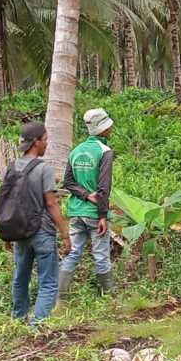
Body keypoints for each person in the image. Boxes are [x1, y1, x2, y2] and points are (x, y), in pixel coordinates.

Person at [7, 122, 71, 325]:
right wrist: (64, 233)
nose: (46, 144)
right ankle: (38, 324)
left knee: (20, 277)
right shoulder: (44, 169)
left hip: (19, 232)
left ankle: (18, 319)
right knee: (49, 281)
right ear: (36, 142)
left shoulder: (11, 167)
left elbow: (5, 202)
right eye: (45, 140)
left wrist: (6, 234)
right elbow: (51, 204)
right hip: (42, 231)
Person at [58, 108, 115, 297]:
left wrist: (83, 194)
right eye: (108, 125)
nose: (111, 127)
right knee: (101, 256)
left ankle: (59, 297)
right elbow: (103, 188)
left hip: (75, 212)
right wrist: (102, 216)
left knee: (73, 253)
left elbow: (68, 182)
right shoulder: (105, 152)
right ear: (102, 129)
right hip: (93, 214)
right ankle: (109, 298)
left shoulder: (76, 151)